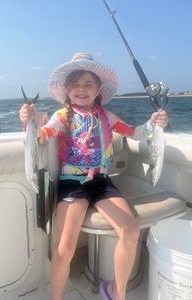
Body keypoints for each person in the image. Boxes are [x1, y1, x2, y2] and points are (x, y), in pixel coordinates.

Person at [19, 52, 168, 300]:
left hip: (101, 182)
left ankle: (116, 291)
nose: (81, 89)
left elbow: (135, 133)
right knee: (64, 250)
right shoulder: (62, 116)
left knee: (130, 231)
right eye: (75, 84)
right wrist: (28, 122)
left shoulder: (107, 117)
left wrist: (154, 123)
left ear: (99, 89)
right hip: (72, 184)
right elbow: (41, 136)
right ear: (66, 90)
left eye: (88, 84)